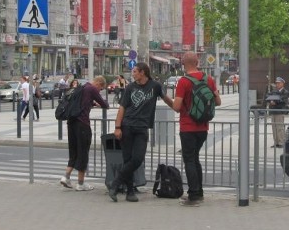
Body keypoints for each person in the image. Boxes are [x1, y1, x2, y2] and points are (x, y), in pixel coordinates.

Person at [109, 62, 173, 202]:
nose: (133, 74)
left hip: (142, 127)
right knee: (127, 160)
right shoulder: (130, 87)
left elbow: (166, 99)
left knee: (137, 159)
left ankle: (115, 183)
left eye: (135, 71)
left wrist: (178, 107)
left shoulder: (155, 86)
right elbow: (122, 108)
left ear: (143, 72)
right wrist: (117, 127)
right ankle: (130, 192)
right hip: (127, 126)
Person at [171, 52, 221, 205]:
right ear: (197, 62)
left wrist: (167, 99)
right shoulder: (209, 79)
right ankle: (199, 192)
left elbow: (177, 106)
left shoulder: (183, 82)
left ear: (184, 63)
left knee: (189, 160)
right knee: (195, 159)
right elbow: (218, 101)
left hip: (188, 127)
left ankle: (193, 195)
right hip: (203, 128)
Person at [60, 76, 109, 191]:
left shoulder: (82, 87)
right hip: (82, 124)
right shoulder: (92, 89)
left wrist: (92, 103)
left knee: (74, 151)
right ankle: (80, 183)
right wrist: (102, 104)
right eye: (101, 88)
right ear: (99, 83)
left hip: (71, 122)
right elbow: (104, 104)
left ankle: (66, 176)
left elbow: (83, 102)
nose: (100, 91)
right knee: (83, 152)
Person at [268, 77, 288, 148]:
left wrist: (275, 102)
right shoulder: (274, 91)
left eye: (279, 83)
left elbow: (283, 101)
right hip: (273, 111)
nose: (277, 84)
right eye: (276, 83)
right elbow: (268, 96)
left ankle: (281, 142)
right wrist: (270, 101)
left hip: (280, 111)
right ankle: (276, 142)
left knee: (280, 127)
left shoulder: (285, 92)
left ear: (283, 83)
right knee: (274, 128)